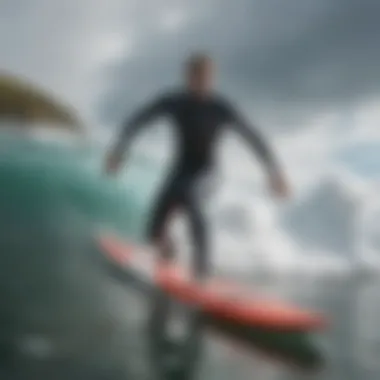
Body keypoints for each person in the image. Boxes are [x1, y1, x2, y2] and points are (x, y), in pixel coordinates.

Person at [104, 52, 290, 279]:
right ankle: (167, 253)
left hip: (208, 172)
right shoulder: (174, 102)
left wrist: (274, 171)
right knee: (153, 230)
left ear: (212, 78)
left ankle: (202, 270)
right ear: (187, 77)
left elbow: (253, 137)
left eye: (205, 77)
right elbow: (140, 118)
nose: (200, 81)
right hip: (179, 171)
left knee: (191, 196)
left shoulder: (221, 108)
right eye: (195, 76)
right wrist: (119, 151)